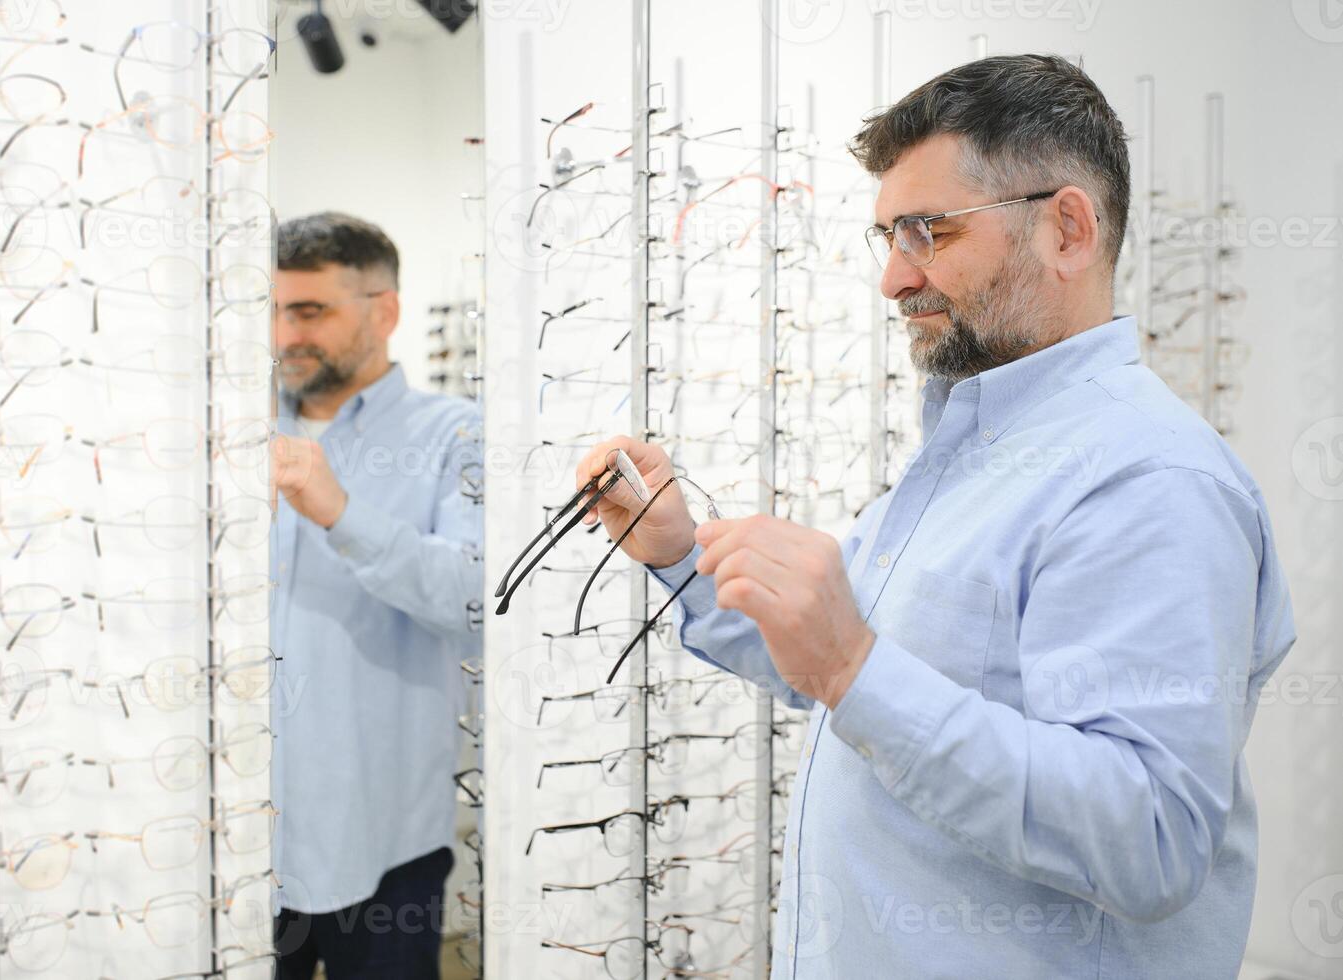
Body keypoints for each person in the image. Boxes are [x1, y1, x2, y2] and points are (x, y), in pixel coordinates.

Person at [573, 56, 1295, 979]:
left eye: (926, 232)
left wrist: (851, 665)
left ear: (1066, 229)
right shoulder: (976, 448)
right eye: (885, 236)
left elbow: (1150, 838)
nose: (892, 279)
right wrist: (677, 554)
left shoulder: (1148, 480)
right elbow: (837, 676)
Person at [267, 212, 482, 980]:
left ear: (384, 311)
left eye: (310, 311)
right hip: (242, 840)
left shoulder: (458, 436)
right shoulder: (230, 432)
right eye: (274, 309)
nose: (285, 333)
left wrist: (339, 512)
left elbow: (473, 598)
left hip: (385, 843)